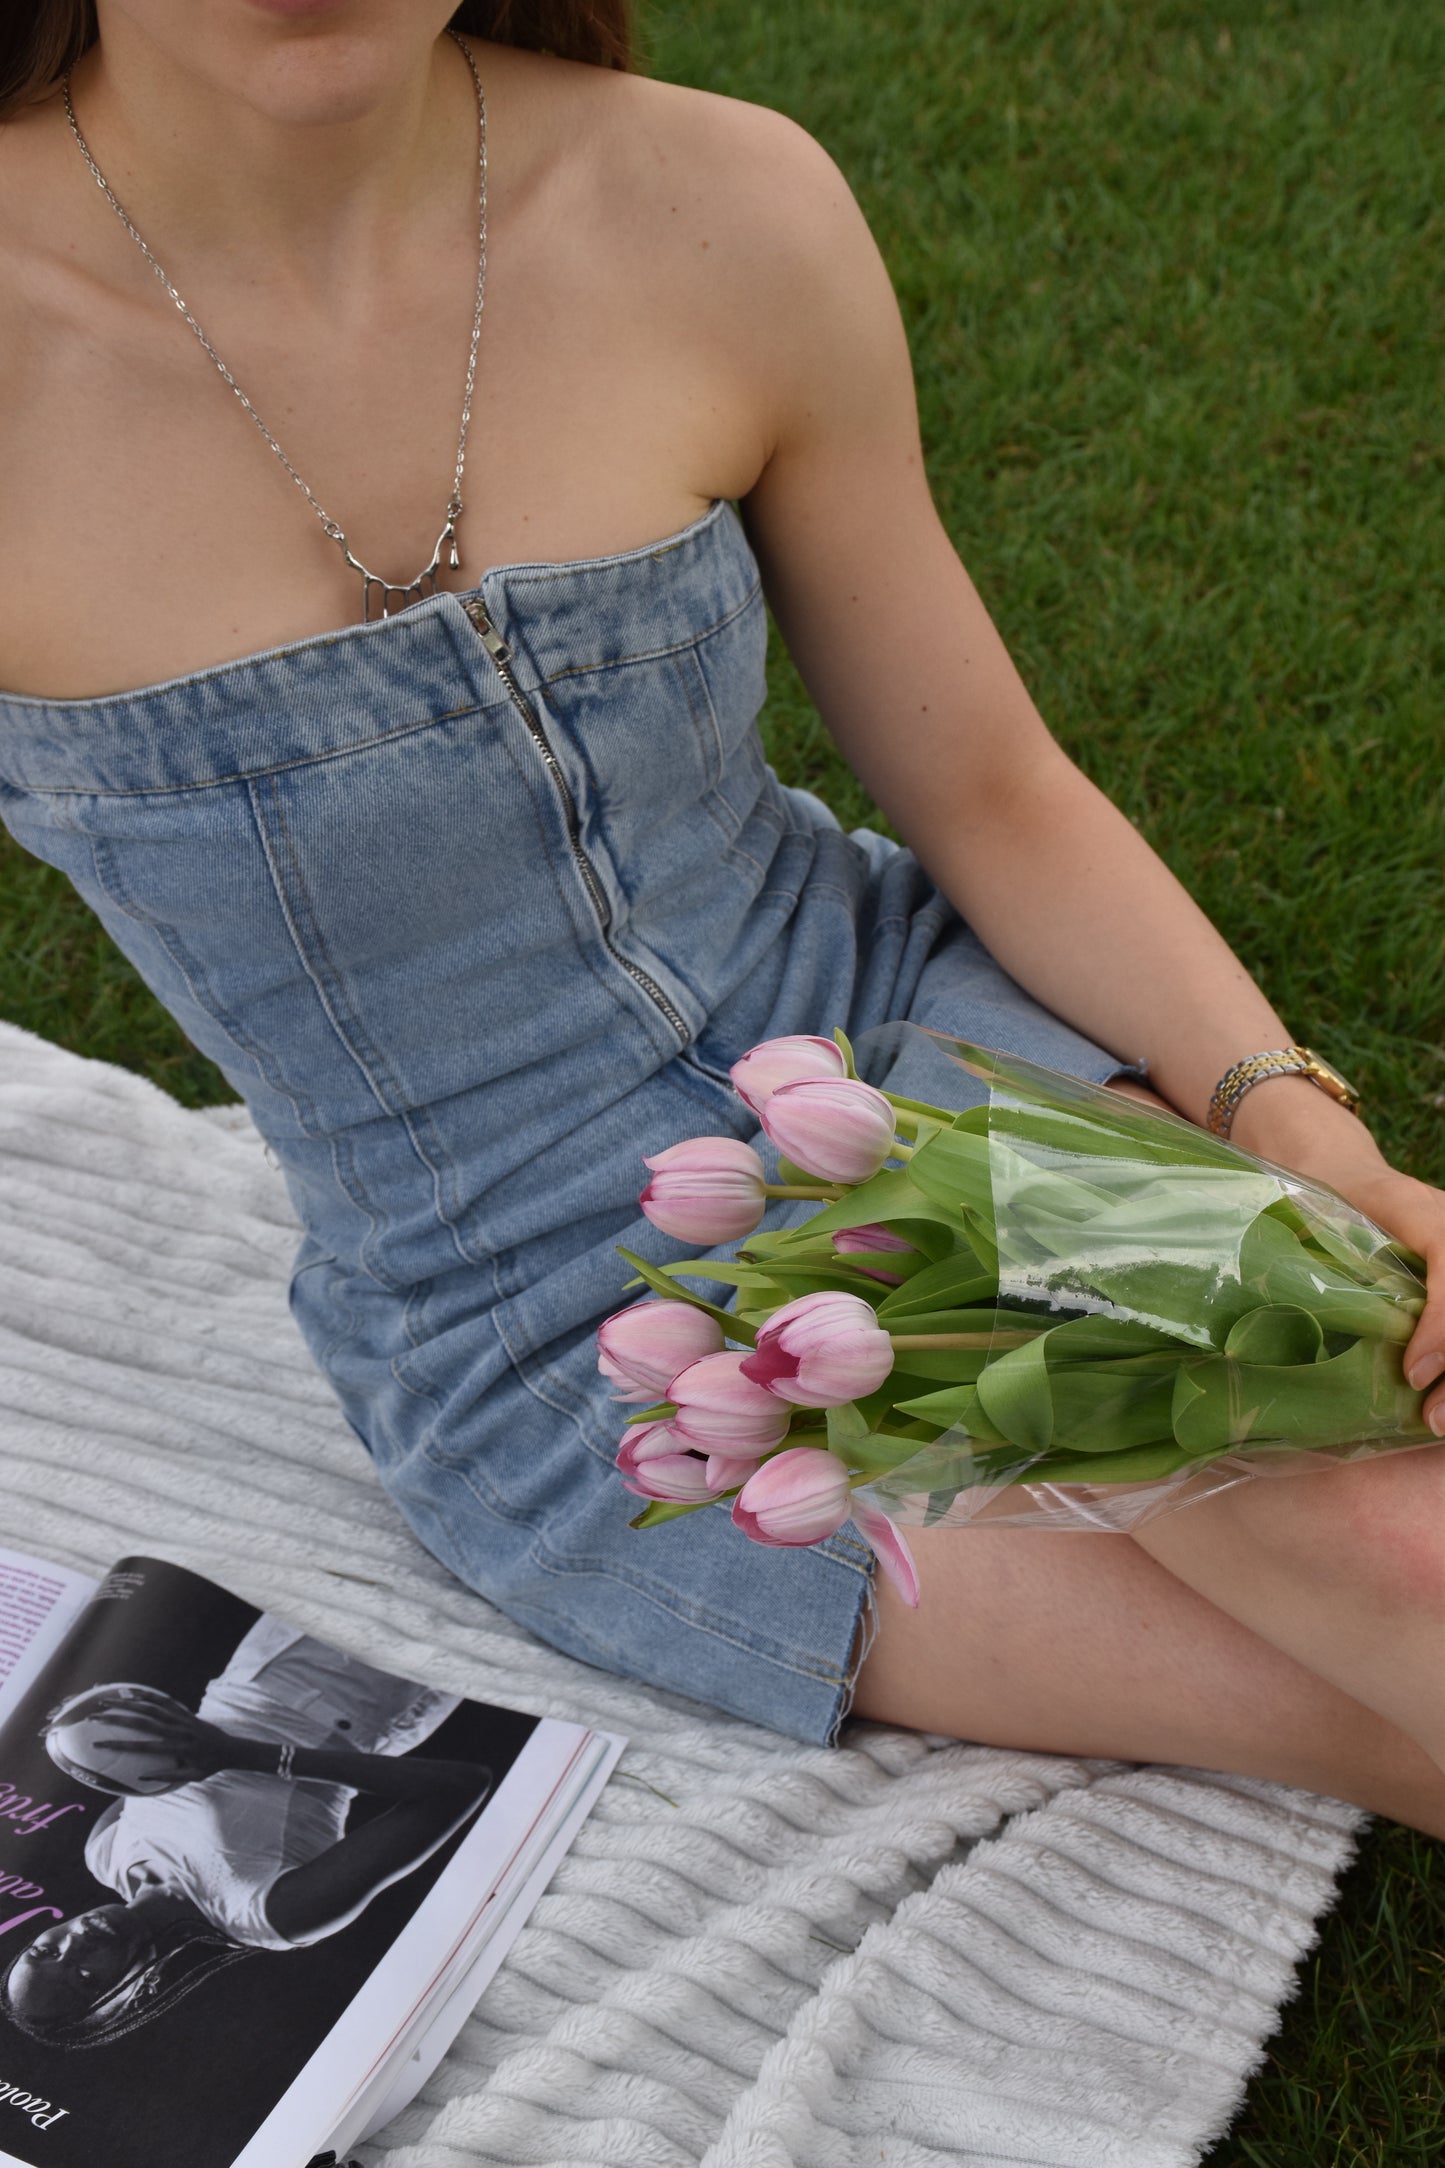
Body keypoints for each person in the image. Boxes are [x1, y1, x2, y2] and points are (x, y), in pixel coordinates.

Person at [0, 3, 1441, 1841]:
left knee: (1404, 1555)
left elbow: (992, 783)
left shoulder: (717, 204)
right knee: (1394, 1699)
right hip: (561, 1347)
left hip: (919, 1069)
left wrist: (1309, 1131)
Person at [1, 1619, 489, 2045]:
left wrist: (84, 1720)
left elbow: (155, 1751)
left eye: (46, 1951)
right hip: (370, 1692)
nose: (75, 1945)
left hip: (257, 1657)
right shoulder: (268, 1917)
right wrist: (241, 1755)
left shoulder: (105, 1853)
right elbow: (457, 1787)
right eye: (86, 1978)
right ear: (135, 1993)